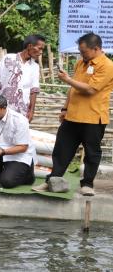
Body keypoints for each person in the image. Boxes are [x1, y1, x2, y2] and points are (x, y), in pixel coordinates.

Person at [32, 33, 113, 196]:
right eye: (80, 51)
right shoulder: (80, 64)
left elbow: (90, 89)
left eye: (84, 51)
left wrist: (68, 80)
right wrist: (64, 109)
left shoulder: (107, 65)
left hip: (93, 117)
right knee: (61, 150)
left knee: (92, 152)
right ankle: (52, 181)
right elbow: (73, 89)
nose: (81, 54)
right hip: (72, 116)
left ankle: (87, 184)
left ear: (96, 49)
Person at [0, 34, 45, 122]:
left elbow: (33, 91)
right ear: (30, 46)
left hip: (21, 113)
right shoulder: (8, 58)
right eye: (40, 48)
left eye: (43, 49)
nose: (41, 52)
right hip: (0, 108)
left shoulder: (35, 67)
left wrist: (31, 111)